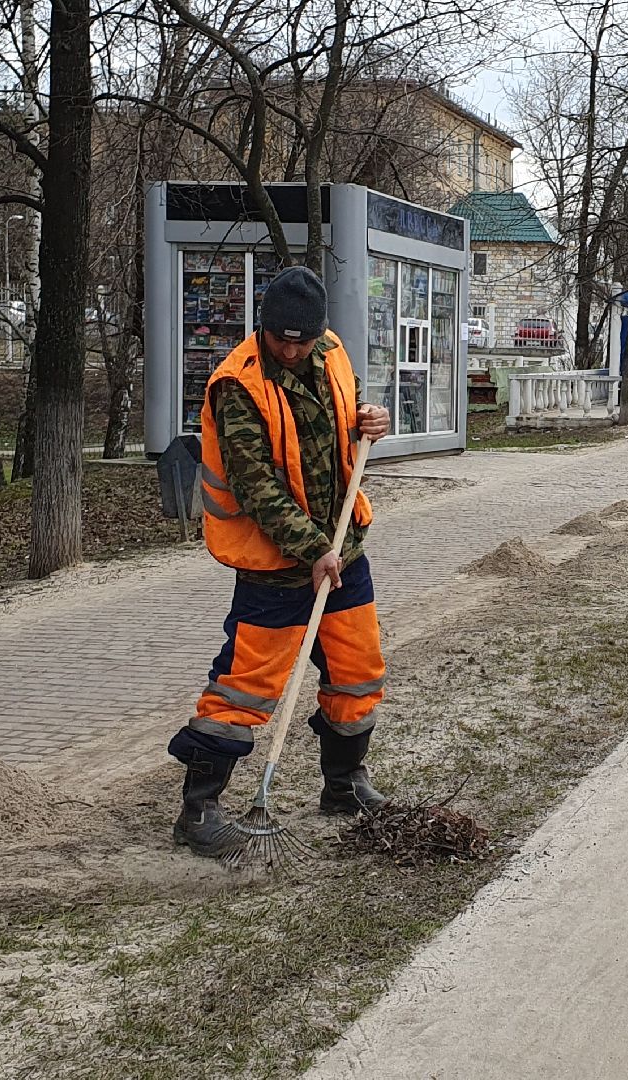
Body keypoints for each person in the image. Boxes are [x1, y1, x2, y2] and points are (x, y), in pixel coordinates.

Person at [172, 265, 395, 861]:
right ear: (263, 327)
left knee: (357, 671)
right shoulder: (236, 385)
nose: (292, 351)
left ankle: (344, 784)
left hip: (344, 546)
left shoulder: (332, 352)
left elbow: (343, 419)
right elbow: (258, 487)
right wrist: (312, 550)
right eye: (281, 340)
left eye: (303, 340)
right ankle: (199, 809)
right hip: (274, 564)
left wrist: (369, 420)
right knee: (247, 686)